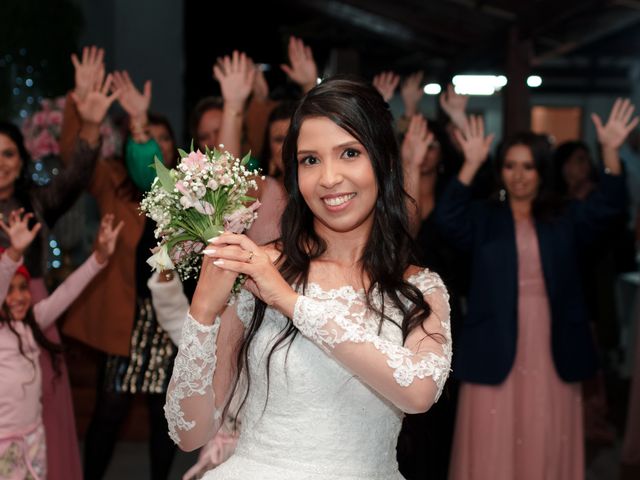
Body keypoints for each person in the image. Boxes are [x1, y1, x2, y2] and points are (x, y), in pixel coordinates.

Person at [163, 76, 452, 479]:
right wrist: (202, 314)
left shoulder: (420, 288)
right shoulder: (260, 270)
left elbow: (419, 391)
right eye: (310, 160)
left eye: (349, 153)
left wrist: (290, 300)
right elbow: (190, 433)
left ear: (384, 161)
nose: (329, 178)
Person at [438, 100, 636, 480]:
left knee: (544, 421)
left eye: (528, 166)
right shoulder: (484, 217)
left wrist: (609, 150)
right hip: (493, 336)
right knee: (493, 423)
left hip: (551, 336)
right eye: (510, 166)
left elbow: (610, 208)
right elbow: (446, 221)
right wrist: (469, 164)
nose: (519, 175)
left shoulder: (563, 216)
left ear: (542, 171)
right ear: (500, 171)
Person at [0, 44, 118, 480]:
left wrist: (89, 124)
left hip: (35, 313)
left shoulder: (33, 202)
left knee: (40, 409)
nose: (1, 163)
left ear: (22, 160)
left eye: (9, 153)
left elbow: (74, 180)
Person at [60, 64, 179, 480]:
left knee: (166, 415)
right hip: (125, 317)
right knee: (109, 412)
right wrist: (86, 119)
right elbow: (73, 161)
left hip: (171, 318)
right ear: (132, 143)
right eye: (147, 136)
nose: (156, 145)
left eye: (164, 138)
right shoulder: (112, 179)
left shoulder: (187, 193)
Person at [0, 209, 121, 480]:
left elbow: (66, 292)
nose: (18, 297)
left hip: (33, 438)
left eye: (23, 288)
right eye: (10, 291)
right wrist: (13, 255)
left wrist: (99, 257)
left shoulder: (33, 321)